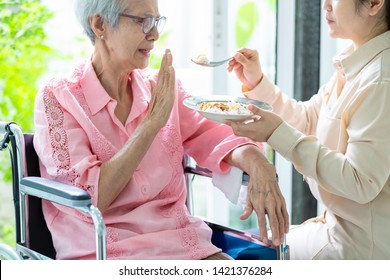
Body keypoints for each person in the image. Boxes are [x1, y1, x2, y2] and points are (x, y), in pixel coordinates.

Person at [33, 0, 288, 260]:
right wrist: (151, 124)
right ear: (100, 25)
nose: (154, 34)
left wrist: (257, 162)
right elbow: (91, 198)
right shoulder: (59, 99)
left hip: (181, 243)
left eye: (156, 21)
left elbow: (212, 133)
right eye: (142, 21)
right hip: (104, 251)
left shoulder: (160, 88)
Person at [225, 0, 390, 259]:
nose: (324, 5)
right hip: (336, 231)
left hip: (360, 250)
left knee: (244, 257)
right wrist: (257, 82)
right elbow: (308, 120)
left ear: (373, 3)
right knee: (245, 251)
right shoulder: (357, 62)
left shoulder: (381, 80)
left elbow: (361, 182)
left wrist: (276, 133)